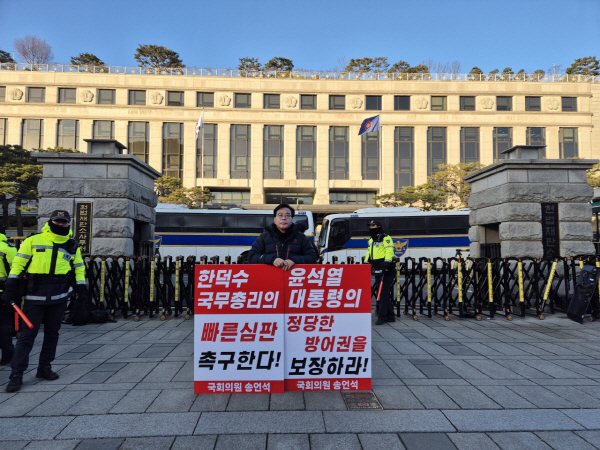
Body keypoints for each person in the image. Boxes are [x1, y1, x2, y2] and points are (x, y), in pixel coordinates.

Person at [3, 210, 88, 392]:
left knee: (52, 334)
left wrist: (82, 290)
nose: (60, 224)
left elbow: (79, 268)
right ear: (50, 222)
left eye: (63, 222)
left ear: (68, 223)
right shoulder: (33, 241)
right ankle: (16, 374)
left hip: (59, 297)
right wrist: (11, 286)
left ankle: (44, 368)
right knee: (27, 336)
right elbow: (18, 264)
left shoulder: (72, 245)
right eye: (57, 221)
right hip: (35, 296)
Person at [248, 203, 318, 269]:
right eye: (280, 215)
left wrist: (294, 260)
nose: (283, 218)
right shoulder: (264, 237)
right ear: (275, 220)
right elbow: (251, 257)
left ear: (291, 219)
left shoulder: (302, 238)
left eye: (287, 215)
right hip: (269, 278)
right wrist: (272, 259)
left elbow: (313, 257)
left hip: (293, 278)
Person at [365, 220, 396, 325]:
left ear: (378, 226)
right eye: (370, 226)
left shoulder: (385, 238)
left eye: (373, 226)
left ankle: (382, 317)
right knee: (382, 292)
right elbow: (369, 252)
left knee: (382, 293)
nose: (371, 227)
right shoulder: (371, 240)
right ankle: (390, 316)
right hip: (377, 266)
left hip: (386, 267)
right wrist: (366, 262)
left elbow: (389, 251)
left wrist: (387, 264)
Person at [0, 225, 17, 365]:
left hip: (3, 292)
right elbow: (15, 270)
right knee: (4, 325)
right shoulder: (8, 247)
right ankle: (8, 355)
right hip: (3, 292)